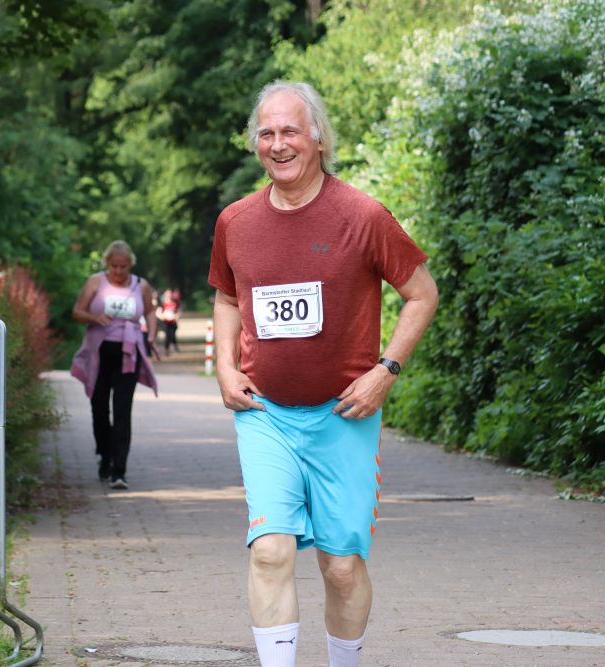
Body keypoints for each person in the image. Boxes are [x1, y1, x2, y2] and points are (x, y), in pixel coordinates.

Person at [208, 81, 438, 666]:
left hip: (344, 416)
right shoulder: (235, 221)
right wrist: (225, 367)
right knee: (270, 552)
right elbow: (228, 298)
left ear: (318, 139)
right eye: (266, 133)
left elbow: (422, 294)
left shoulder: (362, 215)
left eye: (290, 131)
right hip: (266, 413)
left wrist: (387, 370)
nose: (278, 144)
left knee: (340, 567)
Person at [71, 240, 159, 490]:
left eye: (123, 266)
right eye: (114, 266)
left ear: (130, 264)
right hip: (99, 353)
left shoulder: (140, 285)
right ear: (107, 264)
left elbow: (150, 311)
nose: (119, 271)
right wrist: (94, 317)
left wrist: (151, 335)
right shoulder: (95, 282)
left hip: (128, 354)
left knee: (122, 411)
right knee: (99, 409)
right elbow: (77, 312)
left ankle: (118, 471)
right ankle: (105, 454)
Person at [156, 288, 182, 355]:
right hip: (166, 323)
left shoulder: (175, 303)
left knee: (172, 335)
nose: (169, 295)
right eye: (167, 294)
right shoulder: (162, 304)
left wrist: (176, 316)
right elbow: (158, 313)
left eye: (170, 294)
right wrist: (163, 316)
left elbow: (178, 312)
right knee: (168, 335)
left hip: (173, 322)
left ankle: (174, 346)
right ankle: (167, 349)